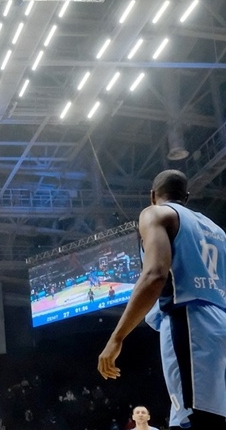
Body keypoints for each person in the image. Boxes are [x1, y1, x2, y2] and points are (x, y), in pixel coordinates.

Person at [97, 170, 226, 429]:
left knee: (195, 420)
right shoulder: (218, 231)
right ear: (186, 197)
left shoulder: (156, 213)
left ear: (153, 196)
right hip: (220, 324)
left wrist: (117, 337)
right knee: (204, 418)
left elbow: (155, 275)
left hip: (190, 323)